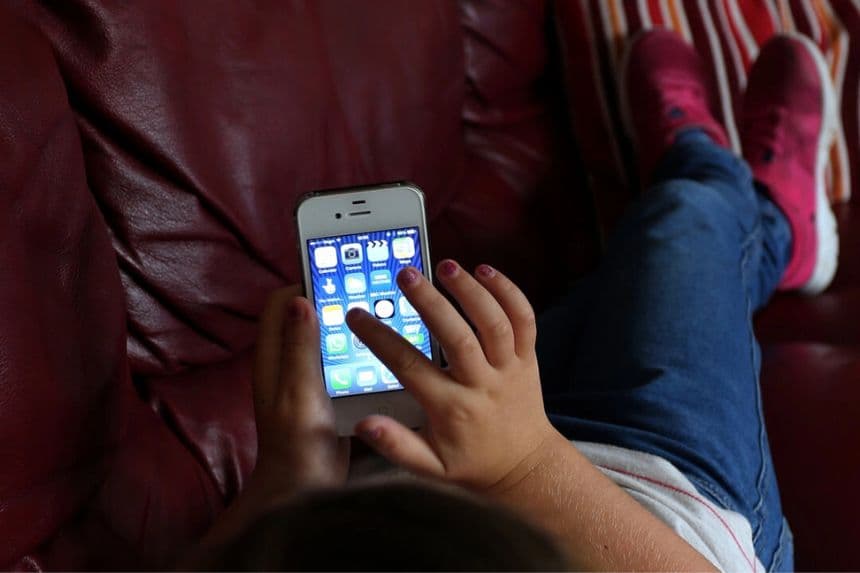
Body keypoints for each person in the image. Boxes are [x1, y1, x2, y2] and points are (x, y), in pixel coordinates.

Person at [181, 30, 837, 571]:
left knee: (610, 279)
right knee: (688, 214)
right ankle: (756, 199)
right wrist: (526, 462)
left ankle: (712, 184)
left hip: (462, 432)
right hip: (651, 496)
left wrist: (288, 486)